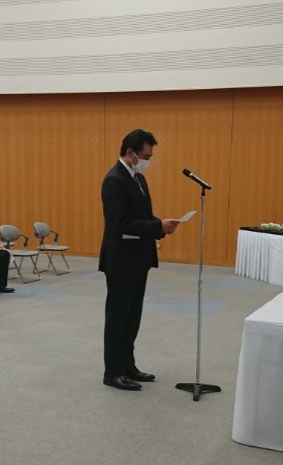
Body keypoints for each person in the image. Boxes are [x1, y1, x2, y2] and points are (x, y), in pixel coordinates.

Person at [99, 128, 180, 391]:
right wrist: (157, 227)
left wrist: (159, 225)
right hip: (121, 259)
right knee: (118, 316)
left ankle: (128, 365)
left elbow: (142, 216)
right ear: (131, 152)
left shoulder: (138, 178)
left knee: (133, 316)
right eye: (146, 155)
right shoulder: (114, 180)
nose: (149, 160)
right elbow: (120, 223)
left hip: (138, 258)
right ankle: (112, 371)